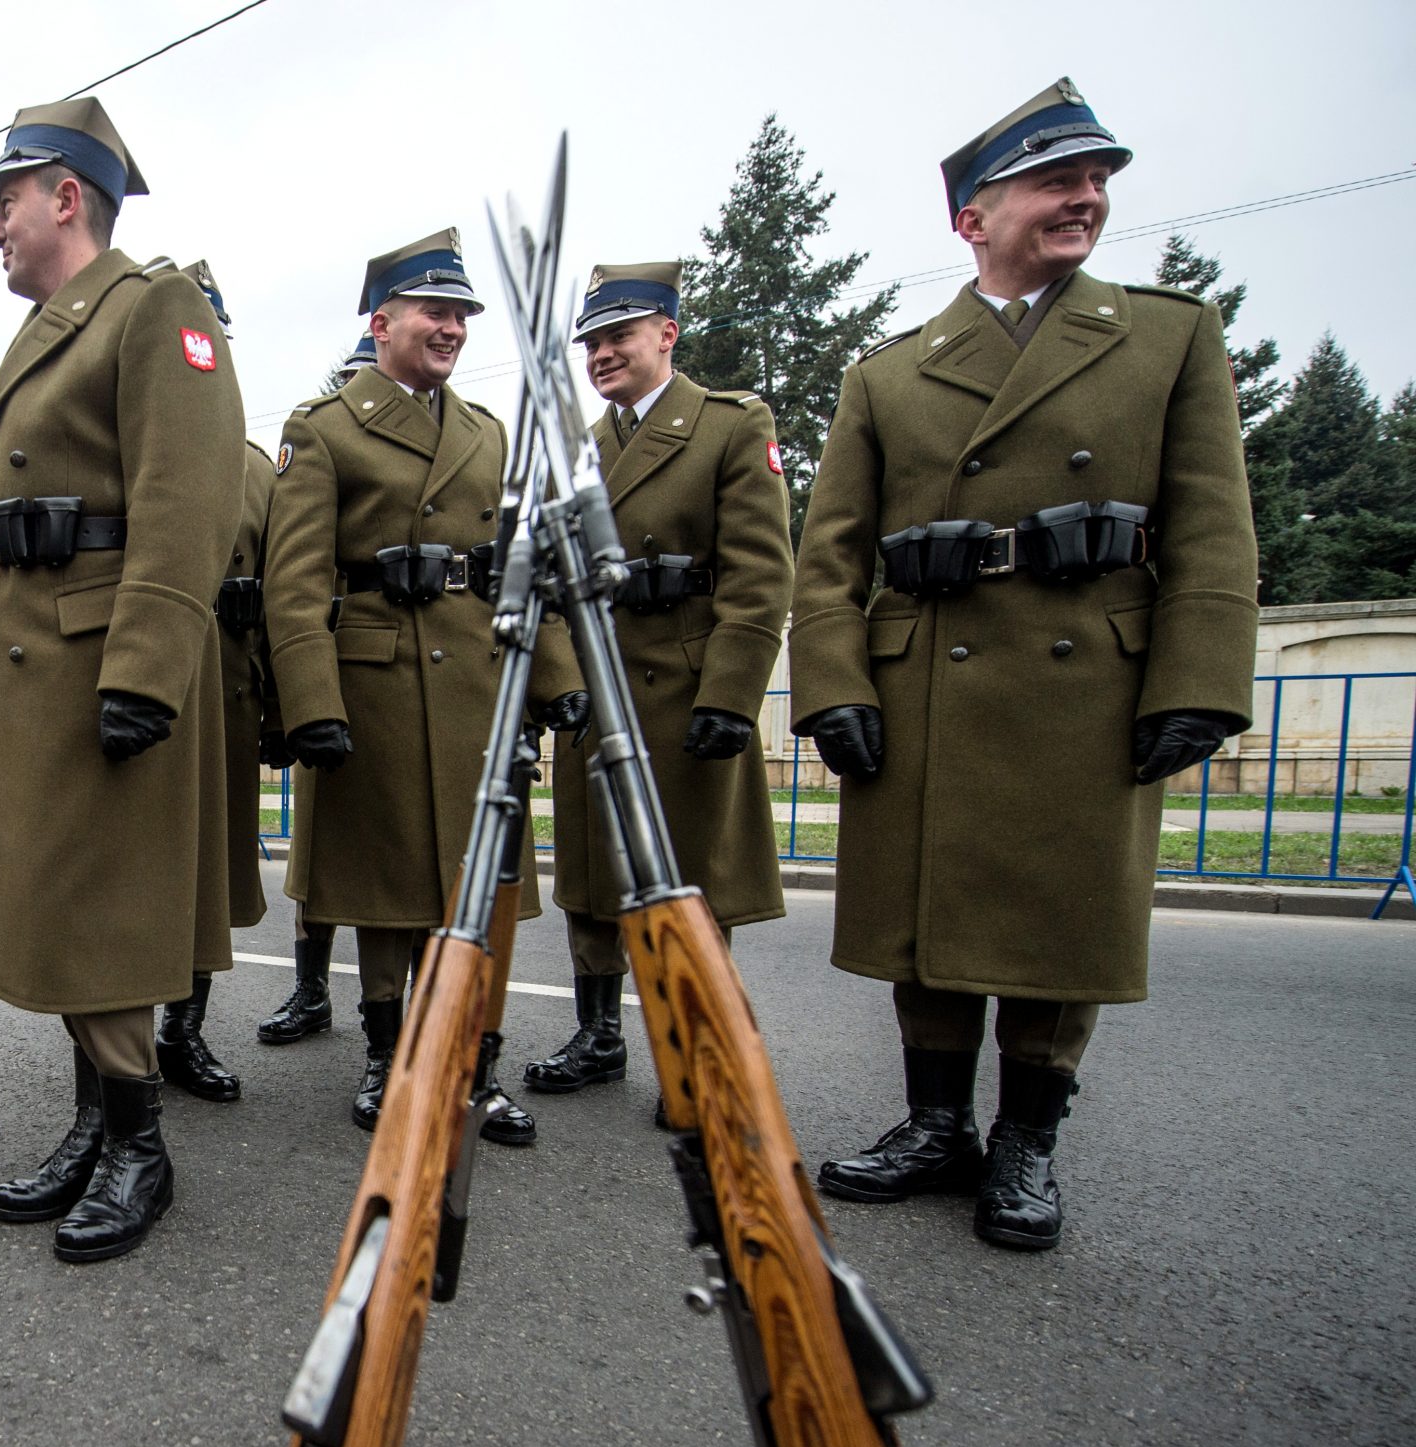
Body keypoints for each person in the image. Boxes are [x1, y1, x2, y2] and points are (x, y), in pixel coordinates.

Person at [790, 80, 1258, 1250]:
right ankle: (934, 1126)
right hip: (926, 676)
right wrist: (833, 684)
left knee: (1061, 916)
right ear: (973, 217)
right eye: (1056, 181)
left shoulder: (1164, 336)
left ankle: (1025, 1143)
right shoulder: (887, 373)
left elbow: (1212, 530)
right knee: (925, 915)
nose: (1084, 197)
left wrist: (1199, 683)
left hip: (1085, 675)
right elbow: (828, 556)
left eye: (1094, 180)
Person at [0, 98, 244, 1262]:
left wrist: (146, 672)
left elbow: (188, 497)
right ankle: (92, 1126)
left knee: (104, 917)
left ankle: (138, 1147)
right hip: (32, 668)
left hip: (98, 667)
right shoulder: (45, 332)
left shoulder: (153, 308)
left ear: (65, 196)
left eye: (5, 203)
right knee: (63, 912)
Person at [260, 230, 564, 1143]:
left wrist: (557, 679)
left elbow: (522, 568)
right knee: (390, 897)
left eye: (462, 315)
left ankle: (475, 1070)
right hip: (379, 686)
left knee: (479, 888)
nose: (453, 328)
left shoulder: (486, 431)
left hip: (474, 683)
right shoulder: (323, 428)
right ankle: (390, 1061)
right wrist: (311, 702)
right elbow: (294, 582)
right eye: (435, 311)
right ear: (381, 322)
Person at [526, 264, 793, 1112]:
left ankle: (700, 1056)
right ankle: (599, 1037)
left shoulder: (729, 425)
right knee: (593, 878)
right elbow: (549, 585)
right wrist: (562, 683)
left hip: (686, 689)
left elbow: (760, 573)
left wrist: (732, 694)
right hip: (600, 693)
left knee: (688, 881)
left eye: (620, 336)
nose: (602, 354)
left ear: (667, 335)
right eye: (592, 343)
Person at [152, 257, 268, 1104]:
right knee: (130, 874)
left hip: (224, 697)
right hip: (134, 691)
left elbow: (287, 598)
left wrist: (286, 712)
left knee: (206, 881)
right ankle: (116, 1051)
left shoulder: (259, 467)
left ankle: (182, 1031)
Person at [255, 333, 379, 1050]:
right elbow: (289, 578)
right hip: (322, 673)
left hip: (387, 669)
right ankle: (311, 989)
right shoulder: (319, 444)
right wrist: (289, 706)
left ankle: (396, 1007)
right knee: (316, 851)